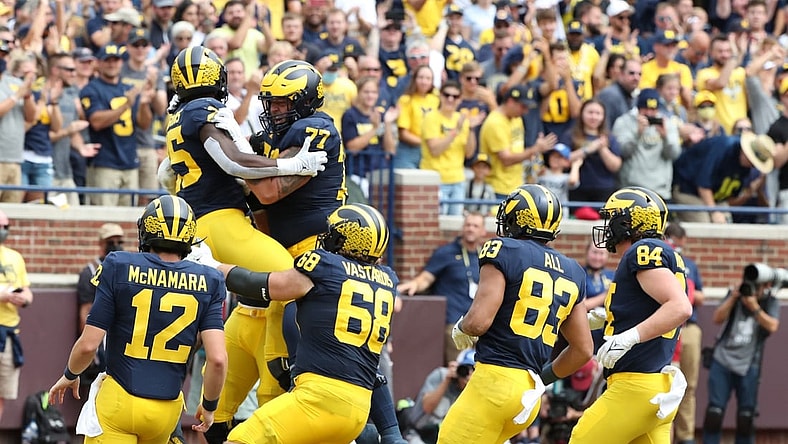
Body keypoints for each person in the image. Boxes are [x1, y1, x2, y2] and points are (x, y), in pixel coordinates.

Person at [162, 47, 327, 444]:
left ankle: (216, 412)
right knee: (287, 280)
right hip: (222, 220)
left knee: (255, 303)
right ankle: (284, 379)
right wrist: (292, 165)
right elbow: (233, 161)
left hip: (203, 223)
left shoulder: (178, 118)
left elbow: (166, 173)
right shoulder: (204, 109)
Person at [189, 203, 398, 444]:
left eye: (331, 233)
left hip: (318, 397)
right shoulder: (387, 282)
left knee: (240, 439)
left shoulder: (325, 268)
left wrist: (210, 266)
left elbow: (260, 284)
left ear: (341, 240)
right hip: (359, 409)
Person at [47, 195, 228, 441]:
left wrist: (70, 374)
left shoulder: (118, 265)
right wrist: (209, 406)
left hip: (120, 400)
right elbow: (217, 359)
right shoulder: (210, 279)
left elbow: (89, 344)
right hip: (167, 410)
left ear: (146, 230)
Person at [439, 184, 594, 443]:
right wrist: (543, 378)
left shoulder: (504, 250)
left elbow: (478, 322)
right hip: (529, 393)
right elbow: (583, 350)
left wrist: (462, 327)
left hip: (495, 382)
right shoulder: (573, 269)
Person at [570, 186, 693, 444]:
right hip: (654, 384)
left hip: (635, 385)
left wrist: (630, 336)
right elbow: (652, 305)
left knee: (581, 439)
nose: (608, 225)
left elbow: (679, 307)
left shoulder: (642, 250)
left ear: (631, 221)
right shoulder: (659, 254)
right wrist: (613, 315)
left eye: (613, 218)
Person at [701, 264, 780, 444]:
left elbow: (773, 326)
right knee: (714, 413)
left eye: (756, 287)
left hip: (749, 364)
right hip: (722, 360)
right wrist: (733, 297)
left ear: (765, 286)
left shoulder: (769, 301)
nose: (752, 290)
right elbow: (717, 318)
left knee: (746, 417)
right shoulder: (735, 296)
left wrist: (754, 306)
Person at [397, 212, 487, 365]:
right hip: (455, 323)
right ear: (462, 228)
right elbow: (426, 278)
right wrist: (414, 284)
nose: (470, 229)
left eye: (475, 226)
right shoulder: (446, 253)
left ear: (483, 231)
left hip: (479, 323)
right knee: (460, 370)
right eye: (467, 225)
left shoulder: (486, 255)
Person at [672, 131, 775, 223]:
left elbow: (730, 201)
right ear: (745, 152)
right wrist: (714, 212)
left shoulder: (745, 168)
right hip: (686, 189)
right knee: (703, 222)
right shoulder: (722, 147)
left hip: (715, 198)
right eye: (752, 162)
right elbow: (703, 185)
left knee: (726, 223)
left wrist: (748, 193)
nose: (753, 167)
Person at [665, 222, 705, 444]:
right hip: (667, 327)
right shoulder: (662, 261)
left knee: (689, 385)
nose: (679, 248)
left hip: (688, 327)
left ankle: (686, 436)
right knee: (666, 385)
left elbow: (701, 296)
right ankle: (665, 435)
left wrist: (688, 289)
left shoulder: (689, 265)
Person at [75, 223, 125, 383]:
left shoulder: (127, 268)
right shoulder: (90, 271)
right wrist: (92, 349)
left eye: (119, 241)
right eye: (111, 241)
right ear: (101, 243)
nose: (116, 245)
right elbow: (86, 311)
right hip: (101, 338)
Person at [0, 209, 33, 422]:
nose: (3, 231)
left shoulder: (15, 257)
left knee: (2, 394)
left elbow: (27, 290)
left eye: (5, 227)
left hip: (10, 333)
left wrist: (24, 299)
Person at [409, 349, 476, 444]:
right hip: (418, 433)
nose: (468, 374)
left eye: (473, 370)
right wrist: (446, 380)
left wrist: (472, 387)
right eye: (465, 368)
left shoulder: (476, 391)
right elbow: (427, 407)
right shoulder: (441, 375)